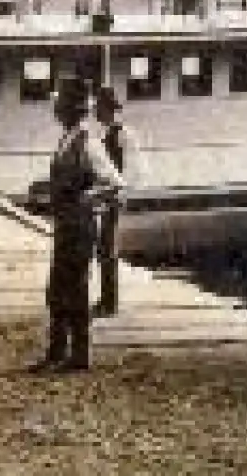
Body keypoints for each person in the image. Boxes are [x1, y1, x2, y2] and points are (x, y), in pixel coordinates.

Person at [28, 76, 124, 374]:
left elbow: (114, 182)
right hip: (66, 224)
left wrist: (87, 198)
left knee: (75, 288)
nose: (55, 107)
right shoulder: (68, 138)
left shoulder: (88, 141)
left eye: (59, 102)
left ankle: (79, 356)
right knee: (58, 287)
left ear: (71, 107)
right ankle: (57, 351)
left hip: (80, 225)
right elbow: (68, 176)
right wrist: (47, 186)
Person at [92, 84, 138, 318]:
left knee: (108, 249)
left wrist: (120, 195)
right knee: (103, 249)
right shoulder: (105, 133)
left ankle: (110, 302)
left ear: (107, 109)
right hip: (106, 196)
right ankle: (106, 298)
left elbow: (131, 169)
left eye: (98, 108)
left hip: (114, 197)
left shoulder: (123, 134)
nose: (95, 113)